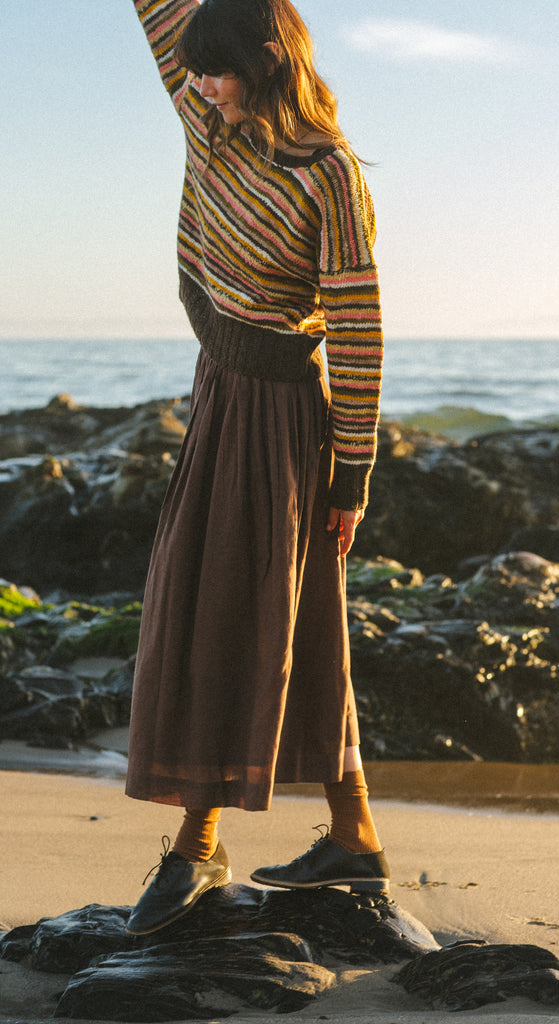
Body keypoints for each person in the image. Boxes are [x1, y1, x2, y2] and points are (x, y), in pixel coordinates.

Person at [125, 0, 387, 936]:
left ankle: (198, 846)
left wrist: (350, 477)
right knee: (294, 618)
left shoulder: (329, 175)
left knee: (230, 606)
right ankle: (353, 836)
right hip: (219, 387)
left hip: (281, 415)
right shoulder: (206, 114)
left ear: (269, 61)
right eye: (193, 70)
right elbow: (161, 9)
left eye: (218, 71)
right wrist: (199, 62)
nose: (198, 86)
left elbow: (357, 329)